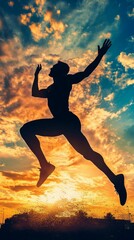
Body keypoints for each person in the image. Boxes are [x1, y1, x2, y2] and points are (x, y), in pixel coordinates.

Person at [20, 39, 127, 205]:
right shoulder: (51, 89)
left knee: (87, 153)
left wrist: (99, 56)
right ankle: (115, 179)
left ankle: (115, 180)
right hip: (60, 123)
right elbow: (34, 93)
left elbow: (85, 73)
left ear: (60, 72)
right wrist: (35, 76)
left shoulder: (65, 80)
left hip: (67, 122)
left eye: (54, 67)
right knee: (27, 130)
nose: (51, 68)